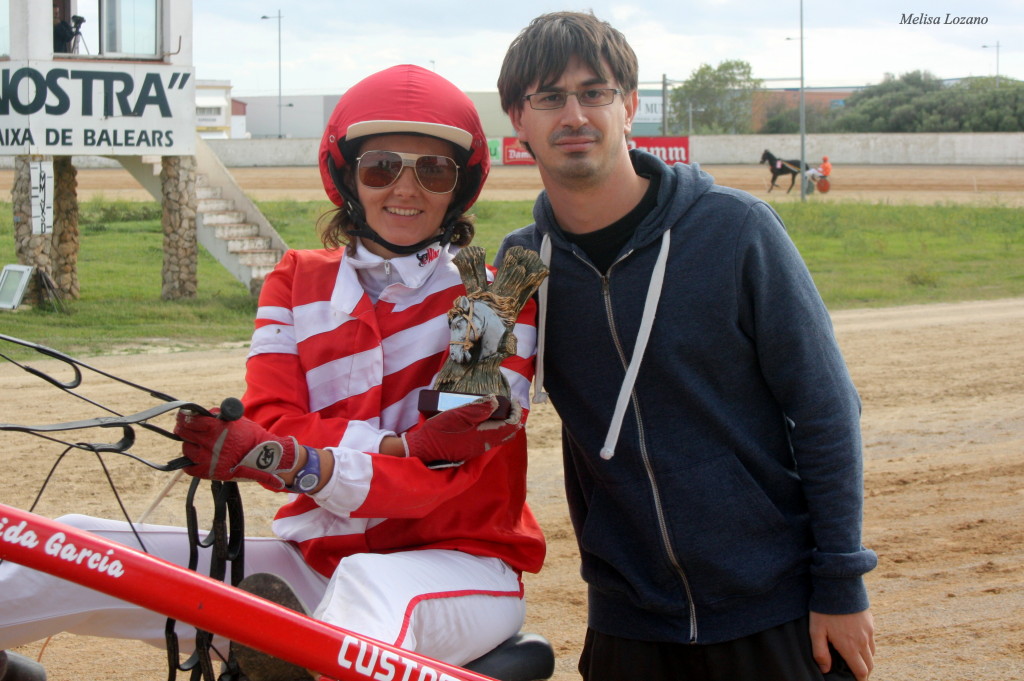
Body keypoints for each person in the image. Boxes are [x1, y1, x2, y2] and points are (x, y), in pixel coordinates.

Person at [0, 64, 544, 679]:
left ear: (458, 186)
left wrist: (292, 456)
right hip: (312, 560)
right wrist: (389, 445)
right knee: (68, 548)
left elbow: (438, 475)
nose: (406, 188)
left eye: (434, 170)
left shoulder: (495, 302)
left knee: (368, 585)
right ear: (348, 176)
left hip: (461, 567)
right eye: (381, 167)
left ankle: (296, 657)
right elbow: (272, 422)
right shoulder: (293, 281)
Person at [495, 11, 875, 681]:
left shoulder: (736, 231)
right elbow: (463, 410)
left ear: (630, 105)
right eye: (549, 97)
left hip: (773, 608)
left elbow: (825, 409)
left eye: (595, 91)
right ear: (517, 120)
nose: (574, 113)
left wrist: (841, 582)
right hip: (628, 622)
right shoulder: (518, 266)